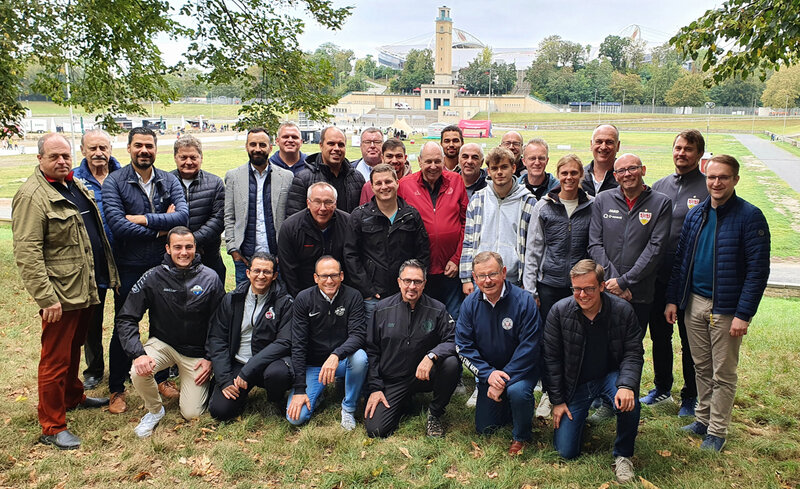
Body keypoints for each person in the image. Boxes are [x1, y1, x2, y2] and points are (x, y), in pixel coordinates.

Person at [12, 133, 119, 450]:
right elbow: (28, 253)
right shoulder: (32, 196)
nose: (61, 161)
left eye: (66, 156)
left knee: (74, 348)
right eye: (54, 156)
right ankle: (52, 425)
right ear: (40, 159)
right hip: (60, 294)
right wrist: (47, 298)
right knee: (55, 359)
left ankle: (73, 396)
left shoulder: (74, 186)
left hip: (83, 286)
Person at [666, 154, 770, 451]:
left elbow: (758, 271)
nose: (716, 183)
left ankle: (718, 430)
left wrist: (743, 314)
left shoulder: (750, 217)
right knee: (701, 366)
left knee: (723, 372)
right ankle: (702, 418)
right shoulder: (696, 214)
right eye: (712, 177)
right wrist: (673, 299)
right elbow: (681, 262)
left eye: (723, 177)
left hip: (726, 308)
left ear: (735, 179)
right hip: (694, 303)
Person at [102, 126, 189, 414]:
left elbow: (182, 216)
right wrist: (161, 227)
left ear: (155, 149)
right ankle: (117, 387)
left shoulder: (168, 179)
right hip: (129, 266)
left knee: (162, 325)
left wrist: (142, 219)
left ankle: (161, 378)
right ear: (128, 148)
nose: (144, 150)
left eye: (149, 146)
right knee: (125, 323)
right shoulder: (115, 182)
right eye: (138, 145)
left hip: (163, 266)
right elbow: (118, 225)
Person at [116, 227, 225, 437]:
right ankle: (155, 410)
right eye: (177, 247)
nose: (183, 252)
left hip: (196, 352)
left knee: (192, 413)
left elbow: (221, 322)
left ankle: (202, 385)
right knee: (138, 371)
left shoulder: (210, 278)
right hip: (164, 343)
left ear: (195, 248)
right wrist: (138, 354)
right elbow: (126, 318)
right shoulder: (152, 277)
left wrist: (210, 357)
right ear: (168, 248)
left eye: (188, 247)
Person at [543, 259, 643, 484]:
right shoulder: (559, 312)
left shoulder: (623, 310)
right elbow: (551, 360)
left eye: (589, 288)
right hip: (576, 384)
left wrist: (627, 385)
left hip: (611, 378)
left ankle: (623, 455)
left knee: (630, 401)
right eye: (576, 289)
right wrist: (558, 401)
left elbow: (633, 353)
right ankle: (579, 421)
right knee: (565, 451)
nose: (582, 295)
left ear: (602, 286)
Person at [587, 153, 670, 421]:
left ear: (643, 170)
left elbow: (655, 249)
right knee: (603, 346)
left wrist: (626, 282)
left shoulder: (661, 203)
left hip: (639, 293)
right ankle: (605, 400)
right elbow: (594, 243)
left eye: (632, 168)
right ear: (615, 175)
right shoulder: (603, 200)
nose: (627, 174)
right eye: (621, 171)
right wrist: (613, 282)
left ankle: (626, 400)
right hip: (607, 290)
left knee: (630, 349)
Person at [641, 130, 709, 414]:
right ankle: (662, 388)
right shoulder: (660, 186)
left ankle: (691, 396)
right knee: (660, 335)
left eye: (688, 149)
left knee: (690, 340)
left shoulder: (707, 188)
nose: (681, 153)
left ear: (699, 154)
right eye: (678, 148)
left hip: (690, 278)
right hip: (658, 276)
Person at [456, 252, 542, 455]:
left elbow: (530, 346)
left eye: (492, 274)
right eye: (481, 276)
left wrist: (503, 379)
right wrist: (488, 374)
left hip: (521, 371)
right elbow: (463, 346)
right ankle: (513, 408)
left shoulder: (524, 301)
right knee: (485, 428)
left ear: (503, 272)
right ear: (474, 278)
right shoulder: (469, 304)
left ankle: (521, 436)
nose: (487, 281)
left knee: (518, 392)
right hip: (490, 373)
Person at [364, 259, 460, 438]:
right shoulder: (381, 309)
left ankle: (435, 413)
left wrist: (432, 355)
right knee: (376, 430)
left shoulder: (437, 309)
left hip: (424, 376)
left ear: (424, 283)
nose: (412, 286)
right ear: (399, 282)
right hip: (392, 379)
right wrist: (375, 388)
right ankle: (403, 401)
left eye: (417, 281)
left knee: (452, 363)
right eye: (407, 281)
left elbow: (454, 339)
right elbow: (372, 350)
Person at [206, 252, 293, 421]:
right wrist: (224, 379)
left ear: (275, 275)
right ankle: (232, 392)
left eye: (267, 272)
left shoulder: (284, 302)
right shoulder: (231, 299)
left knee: (279, 374)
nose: (261, 276)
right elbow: (217, 338)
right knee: (220, 411)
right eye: (256, 271)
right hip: (239, 362)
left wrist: (249, 368)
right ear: (248, 273)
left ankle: (275, 399)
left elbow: (284, 342)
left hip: (269, 364)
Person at [286, 256, 368, 430]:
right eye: (324, 276)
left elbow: (358, 335)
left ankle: (348, 408)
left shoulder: (353, 296)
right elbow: (298, 345)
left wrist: (336, 355)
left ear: (342, 276)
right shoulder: (303, 298)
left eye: (334, 275)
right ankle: (318, 394)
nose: (329, 281)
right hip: (314, 365)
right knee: (295, 418)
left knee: (360, 358)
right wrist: (299, 389)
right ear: (316, 278)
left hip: (342, 361)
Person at [344, 163, 430, 325]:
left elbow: (423, 252)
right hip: (374, 296)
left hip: (406, 292)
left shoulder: (411, 215)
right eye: (378, 183)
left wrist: (413, 285)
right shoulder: (359, 216)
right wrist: (367, 289)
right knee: (374, 336)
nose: (384, 187)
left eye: (388, 181)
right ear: (371, 187)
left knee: (404, 334)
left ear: (397, 183)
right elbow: (350, 255)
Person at [73, 129, 122, 391]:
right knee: (92, 318)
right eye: (93, 148)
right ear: (83, 150)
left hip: (123, 257)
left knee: (125, 316)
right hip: (91, 262)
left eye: (103, 148)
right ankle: (93, 369)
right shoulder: (73, 180)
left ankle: (122, 363)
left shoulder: (123, 175)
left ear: (111, 149)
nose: (98, 153)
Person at [398, 142, 468, 320]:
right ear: (419, 161)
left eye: (437, 161)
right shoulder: (405, 185)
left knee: (453, 317)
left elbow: (466, 222)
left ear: (444, 161)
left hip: (450, 268)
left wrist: (457, 258)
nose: (433, 166)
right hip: (420, 270)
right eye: (428, 161)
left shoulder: (456, 181)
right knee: (424, 318)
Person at [524, 154, 594, 323]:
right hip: (549, 285)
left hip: (581, 286)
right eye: (564, 173)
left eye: (574, 173)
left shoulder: (592, 205)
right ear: (558, 175)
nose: (569, 177)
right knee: (550, 332)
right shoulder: (543, 206)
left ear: (581, 175)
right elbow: (533, 250)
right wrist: (531, 291)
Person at [460, 146, 535, 294]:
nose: (499, 172)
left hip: (514, 279)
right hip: (481, 278)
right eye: (494, 168)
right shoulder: (477, 199)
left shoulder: (528, 202)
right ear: (488, 171)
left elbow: (532, 248)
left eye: (504, 167)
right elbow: (468, 241)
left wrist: (528, 283)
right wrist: (466, 278)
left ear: (513, 168)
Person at [224, 128, 294, 286]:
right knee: (243, 298)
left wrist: (284, 253)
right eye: (253, 144)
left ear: (270, 147)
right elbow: (229, 215)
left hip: (278, 258)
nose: (257, 149)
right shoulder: (233, 177)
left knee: (280, 298)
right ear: (246, 147)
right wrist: (233, 250)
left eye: (262, 145)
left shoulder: (286, 177)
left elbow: (290, 217)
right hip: (244, 259)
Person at [171, 135, 227, 286]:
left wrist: (191, 242)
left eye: (193, 157)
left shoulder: (215, 183)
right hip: (174, 260)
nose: (188, 162)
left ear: (201, 157)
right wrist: (180, 246)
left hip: (208, 258)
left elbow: (218, 219)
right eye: (183, 157)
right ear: (175, 158)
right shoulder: (165, 182)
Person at [278, 182, 350, 297]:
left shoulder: (348, 224)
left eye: (328, 202)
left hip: (342, 292)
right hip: (303, 292)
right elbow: (288, 270)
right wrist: (299, 299)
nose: (322, 208)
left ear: (335, 203)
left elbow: (353, 261)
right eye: (317, 202)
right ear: (308, 203)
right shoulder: (290, 228)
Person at [286, 126, 366, 215]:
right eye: (331, 144)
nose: (336, 148)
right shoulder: (303, 179)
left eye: (341, 145)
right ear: (321, 145)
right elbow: (294, 217)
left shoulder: (357, 178)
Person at [359, 138, 411, 204]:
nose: (394, 161)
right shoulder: (369, 187)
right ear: (382, 158)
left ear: (405, 158)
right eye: (389, 156)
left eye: (398, 156)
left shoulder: (414, 184)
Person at [582, 124, 620, 196]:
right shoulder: (579, 177)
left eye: (609, 142)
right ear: (591, 144)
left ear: (618, 146)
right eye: (599, 142)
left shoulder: (626, 178)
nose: (603, 147)